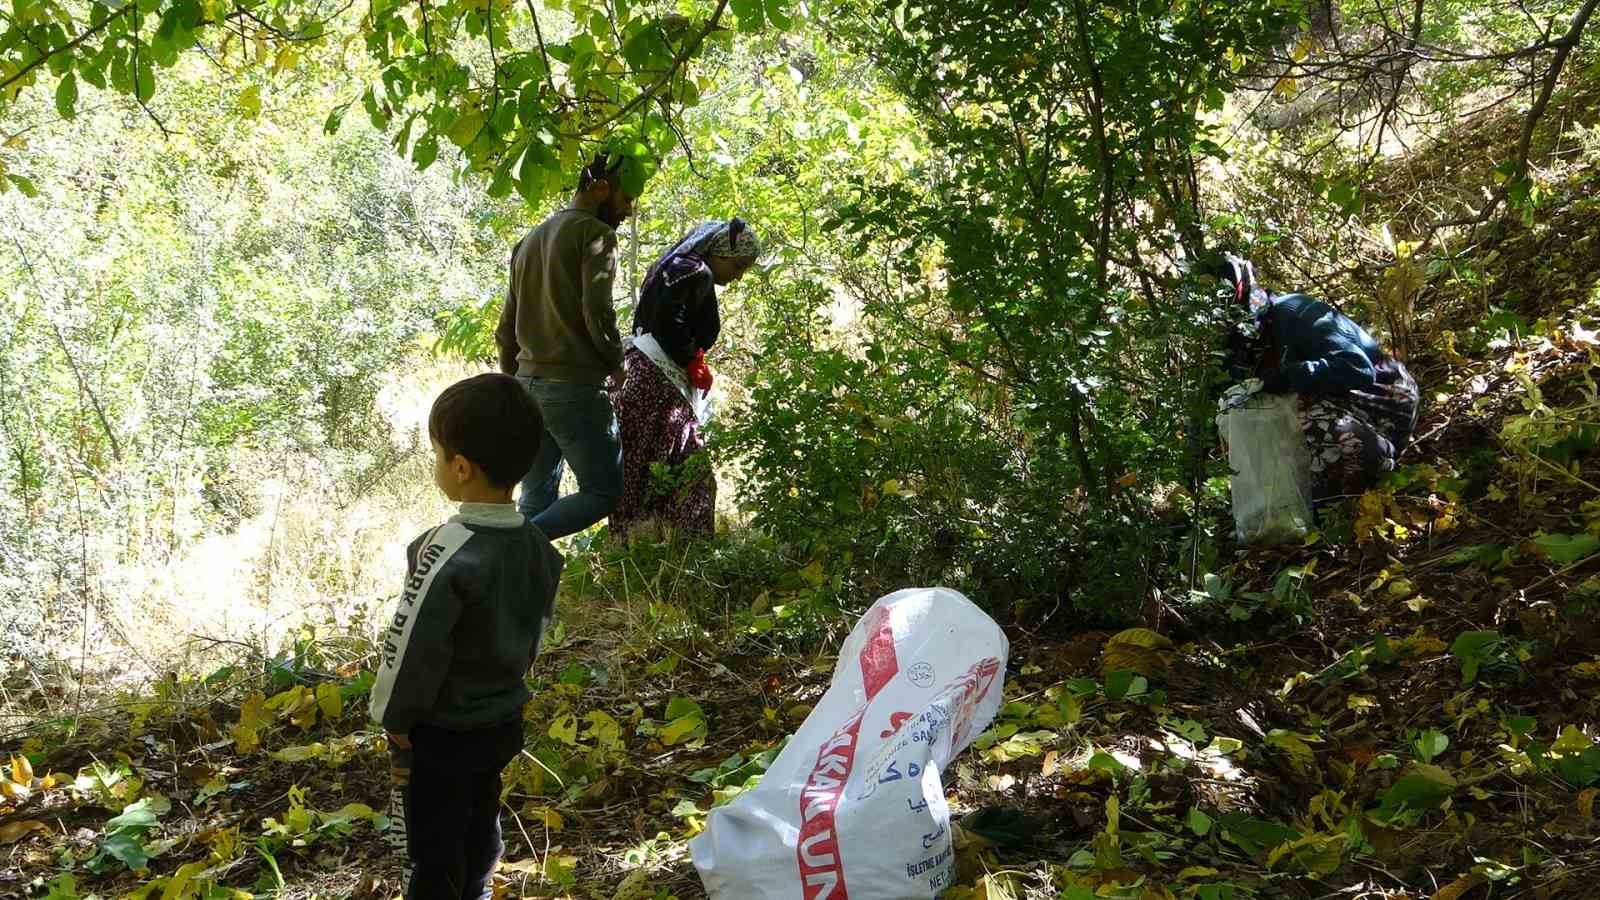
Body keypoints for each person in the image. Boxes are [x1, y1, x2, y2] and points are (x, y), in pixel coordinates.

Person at [370, 373, 564, 900]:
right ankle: (477, 888)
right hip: (502, 720)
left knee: (432, 842)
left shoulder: (442, 549)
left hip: (442, 731)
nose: (437, 464)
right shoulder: (539, 549)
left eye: (437, 453)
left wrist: (395, 718)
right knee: (481, 815)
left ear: (460, 468)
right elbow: (532, 632)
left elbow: (410, 642)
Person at [495, 152, 641, 539]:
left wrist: (515, 382)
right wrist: (616, 361)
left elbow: (505, 329)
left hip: (529, 383)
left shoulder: (529, 240)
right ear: (600, 188)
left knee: (536, 497)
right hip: (573, 387)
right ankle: (512, 548)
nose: (628, 211)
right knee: (602, 492)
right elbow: (598, 311)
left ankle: (515, 586)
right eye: (626, 199)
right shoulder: (595, 234)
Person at [1210, 252, 1420, 503]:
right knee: (1258, 413)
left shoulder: (1291, 312)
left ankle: (1374, 456)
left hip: (1384, 397)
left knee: (1298, 413)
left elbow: (1358, 370)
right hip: (1342, 404)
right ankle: (1319, 497)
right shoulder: (1240, 344)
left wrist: (1290, 376)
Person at [610, 218, 761, 538]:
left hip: (636, 375)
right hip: (657, 382)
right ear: (720, 253)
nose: (738, 276)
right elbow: (670, 320)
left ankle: (630, 550)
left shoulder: (674, 267)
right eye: (737, 266)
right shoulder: (696, 273)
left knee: (639, 472)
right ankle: (684, 550)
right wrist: (691, 358)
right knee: (689, 475)